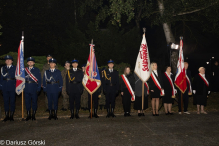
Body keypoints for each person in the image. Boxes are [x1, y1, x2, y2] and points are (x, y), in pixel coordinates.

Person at [0, 55, 16, 122]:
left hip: (12, 86)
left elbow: (18, 78)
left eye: (9, 60)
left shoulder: (15, 68)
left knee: (12, 101)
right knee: (6, 102)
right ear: (5, 61)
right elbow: (1, 78)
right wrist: (1, 86)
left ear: (12, 61)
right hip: (5, 87)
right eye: (6, 60)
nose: (8, 61)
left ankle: (11, 116)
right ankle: (7, 116)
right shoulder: (2, 68)